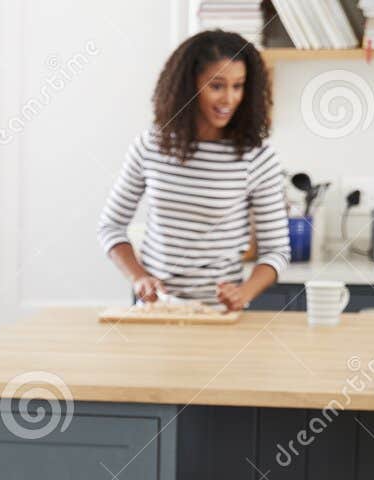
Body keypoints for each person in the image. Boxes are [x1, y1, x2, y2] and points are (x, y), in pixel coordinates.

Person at [98, 29, 289, 311]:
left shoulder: (256, 157)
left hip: (219, 315)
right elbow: (111, 226)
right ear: (189, 87)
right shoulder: (151, 145)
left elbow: (276, 251)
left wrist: (244, 293)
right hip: (157, 310)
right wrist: (139, 278)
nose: (229, 99)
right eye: (217, 86)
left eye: (238, 86)